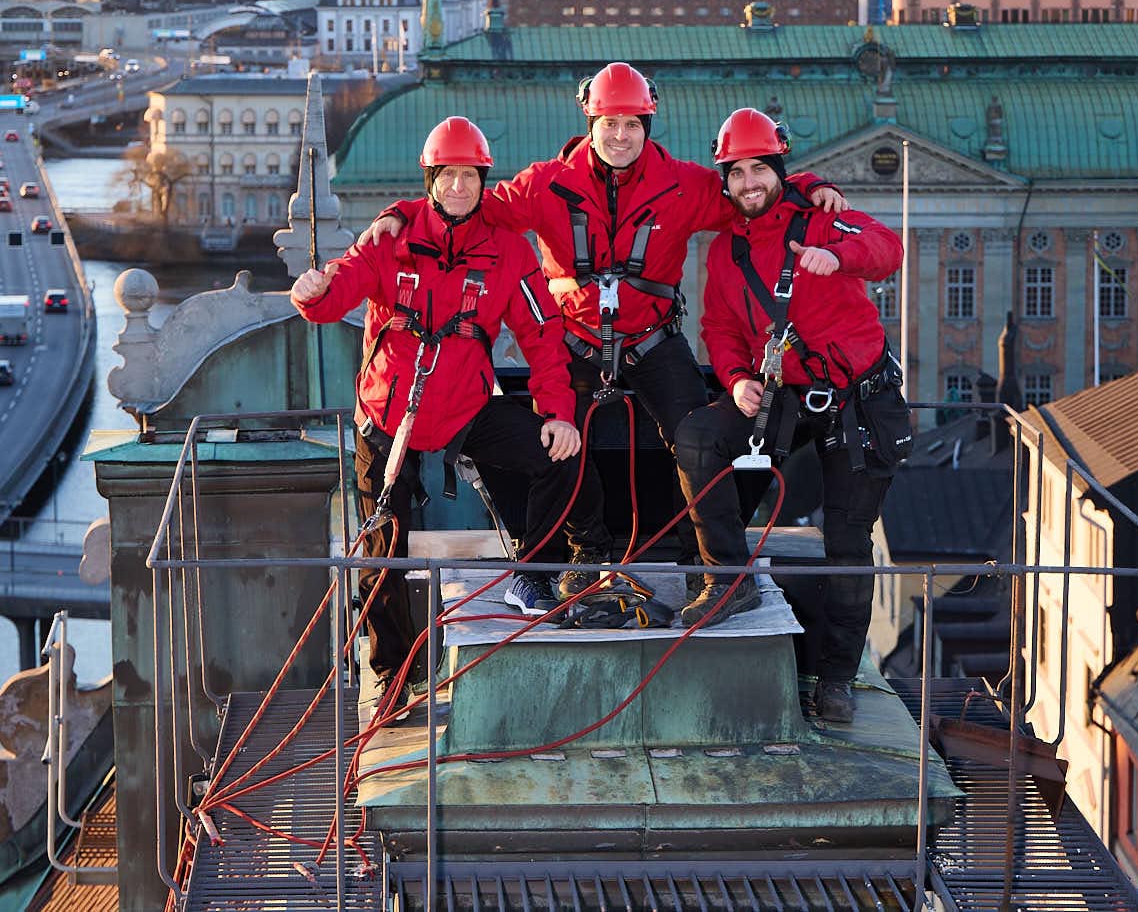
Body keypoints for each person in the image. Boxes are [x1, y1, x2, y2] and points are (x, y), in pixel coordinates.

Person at [362, 64, 846, 599]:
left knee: (697, 437)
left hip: (654, 339)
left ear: (647, 126)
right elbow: (467, 204)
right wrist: (403, 212)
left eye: (632, 125)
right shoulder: (548, 184)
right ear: (590, 121)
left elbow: (752, 189)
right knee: (562, 444)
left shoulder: (682, 185)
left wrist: (809, 185)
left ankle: (710, 567)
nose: (621, 136)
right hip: (575, 338)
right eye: (610, 123)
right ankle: (583, 553)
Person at [291, 116, 603, 697]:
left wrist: (558, 412)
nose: (459, 186)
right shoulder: (389, 240)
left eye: (469, 175)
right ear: (431, 178)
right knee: (385, 541)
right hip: (390, 416)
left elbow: (542, 337)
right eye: (448, 175)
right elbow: (342, 287)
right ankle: (392, 673)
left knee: (557, 455)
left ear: (483, 179)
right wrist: (314, 294)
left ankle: (537, 574)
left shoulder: (508, 252)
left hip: (463, 406)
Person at [674, 108, 909, 724]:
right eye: (737, 172)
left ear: (780, 170)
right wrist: (737, 380)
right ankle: (728, 580)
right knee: (701, 438)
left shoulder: (824, 217)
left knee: (849, 543)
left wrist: (842, 257)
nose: (749, 182)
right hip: (783, 393)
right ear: (724, 179)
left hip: (857, 397)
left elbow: (888, 249)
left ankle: (835, 679)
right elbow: (718, 327)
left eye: (760, 169)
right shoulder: (724, 252)